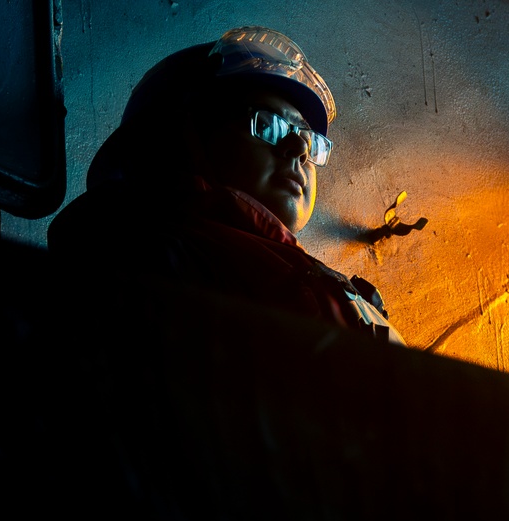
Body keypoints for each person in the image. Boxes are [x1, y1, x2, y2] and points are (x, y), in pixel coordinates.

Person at [48, 25, 405, 345]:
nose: (299, 149)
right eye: (268, 125)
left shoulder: (283, 272)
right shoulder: (138, 255)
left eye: (309, 140)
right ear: (181, 138)